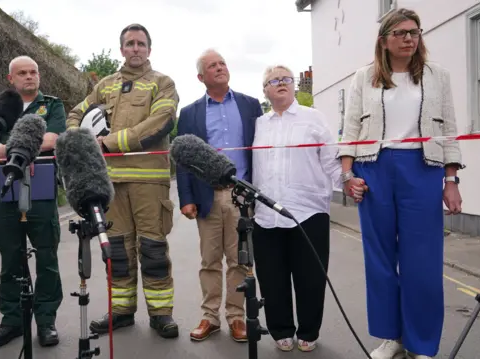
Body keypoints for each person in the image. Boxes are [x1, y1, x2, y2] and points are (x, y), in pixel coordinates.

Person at [339, 8, 463, 359]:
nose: (410, 38)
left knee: (422, 261)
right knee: (379, 258)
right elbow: (350, 130)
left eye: (415, 32)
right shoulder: (364, 77)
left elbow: (449, 130)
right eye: (401, 33)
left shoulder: (437, 76)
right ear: (384, 40)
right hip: (373, 168)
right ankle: (390, 337)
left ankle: (421, 343)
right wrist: (348, 176)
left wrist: (450, 180)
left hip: (423, 169)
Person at [66, 23, 180, 339]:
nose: (135, 49)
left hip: (149, 183)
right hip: (111, 183)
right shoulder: (104, 86)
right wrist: (82, 138)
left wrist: (108, 142)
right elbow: (75, 115)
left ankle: (161, 314)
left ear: (149, 49)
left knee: (153, 249)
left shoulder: (163, 83)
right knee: (118, 251)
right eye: (129, 43)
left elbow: (159, 123)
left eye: (140, 44)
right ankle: (121, 312)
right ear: (121, 49)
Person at [251, 64, 363, 353]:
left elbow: (329, 160)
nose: (281, 84)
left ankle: (309, 331)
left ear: (294, 86)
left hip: (308, 211)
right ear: (265, 90)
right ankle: (281, 330)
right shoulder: (259, 124)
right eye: (273, 81)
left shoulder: (313, 119)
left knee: (310, 278)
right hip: (266, 214)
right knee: (272, 279)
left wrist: (347, 182)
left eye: (286, 79)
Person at [176, 48, 262, 343]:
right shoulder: (189, 113)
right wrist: (186, 197)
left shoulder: (251, 106)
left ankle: (237, 317)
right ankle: (209, 317)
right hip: (207, 195)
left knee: (240, 260)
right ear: (201, 77)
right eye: (212, 66)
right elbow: (183, 158)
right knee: (209, 260)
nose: (220, 68)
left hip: (242, 195)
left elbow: (260, 150)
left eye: (222, 63)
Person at [0, 56, 66, 348]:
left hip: (41, 186)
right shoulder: (1, 107)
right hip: (6, 186)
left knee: (46, 257)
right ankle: (12, 321)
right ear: (11, 79)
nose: (29, 77)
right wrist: (4, 150)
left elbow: (53, 138)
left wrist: (12, 148)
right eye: (22, 73)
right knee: (10, 257)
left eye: (33, 72)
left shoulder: (53, 105)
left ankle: (46, 321)